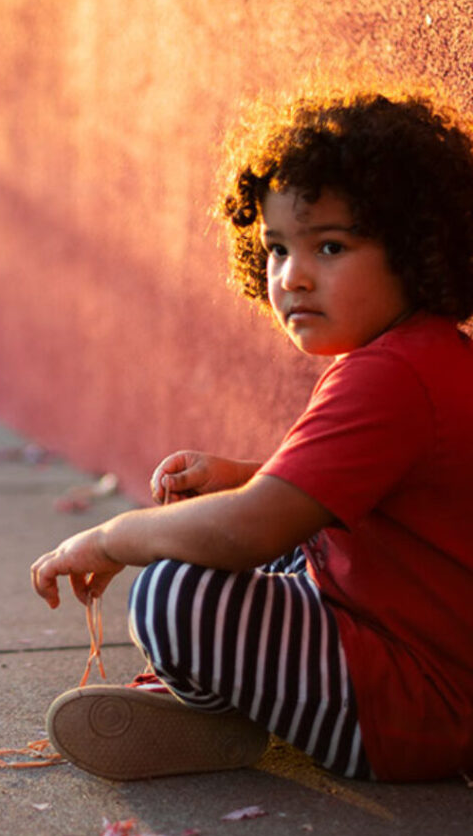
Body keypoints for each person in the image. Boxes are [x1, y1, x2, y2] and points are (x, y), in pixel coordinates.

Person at [30, 88, 473, 784]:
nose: (291, 276)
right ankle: (234, 701)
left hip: (421, 708)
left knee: (175, 592)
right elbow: (359, 499)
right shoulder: (423, 354)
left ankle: (228, 713)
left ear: (417, 247)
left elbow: (252, 532)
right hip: (408, 658)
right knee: (262, 540)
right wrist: (243, 475)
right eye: (274, 249)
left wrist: (112, 538)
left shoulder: (392, 375)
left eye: (330, 245)